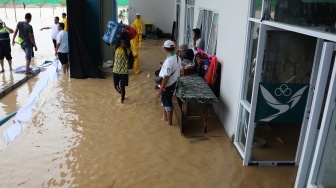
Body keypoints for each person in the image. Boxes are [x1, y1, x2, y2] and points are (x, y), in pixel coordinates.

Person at [155, 40, 181, 125]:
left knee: (168, 104)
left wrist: (160, 90)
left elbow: (165, 78)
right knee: (165, 101)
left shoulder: (169, 61)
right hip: (174, 81)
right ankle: (164, 117)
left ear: (166, 50)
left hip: (168, 85)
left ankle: (169, 123)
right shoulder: (177, 57)